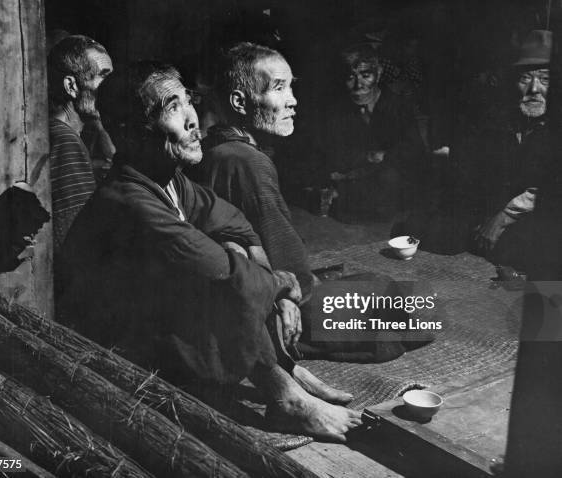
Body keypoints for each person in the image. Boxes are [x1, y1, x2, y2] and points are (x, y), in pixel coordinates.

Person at [58, 64, 362, 442]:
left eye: (189, 101)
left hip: (176, 325)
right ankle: (284, 394)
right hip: (118, 349)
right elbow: (223, 272)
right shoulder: (128, 199)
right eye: (172, 107)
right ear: (132, 132)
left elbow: (235, 222)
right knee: (222, 278)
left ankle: (283, 373)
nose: (192, 119)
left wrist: (272, 284)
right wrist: (282, 285)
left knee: (234, 253)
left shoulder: (170, 180)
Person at [195, 42, 434, 363]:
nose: (293, 101)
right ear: (239, 101)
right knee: (407, 306)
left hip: (250, 289)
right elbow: (285, 261)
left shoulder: (218, 148)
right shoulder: (247, 161)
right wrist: (304, 291)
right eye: (279, 88)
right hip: (273, 302)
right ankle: (282, 341)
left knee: (397, 296)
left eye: (292, 87)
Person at [453, 30, 555, 271]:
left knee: (520, 247)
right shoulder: (505, 120)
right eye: (525, 78)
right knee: (444, 231)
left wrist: (503, 217)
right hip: (504, 206)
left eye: (545, 79)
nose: (534, 89)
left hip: (546, 210)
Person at [321, 43, 428, 221]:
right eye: (350, 77)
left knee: (389, 181)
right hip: (355, 175)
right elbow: (332, 152)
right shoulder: (337, 109)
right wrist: (369, 158)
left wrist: (384, 156)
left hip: (391, 178)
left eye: (366, 75)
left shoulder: (398, 105)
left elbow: (415, 151)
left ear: (378, 73)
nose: (358, 85)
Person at [47, 35, 114, 251]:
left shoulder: (66, 134)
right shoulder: (65, 141)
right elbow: (77, 237)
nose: (112, 89)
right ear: (71, 86)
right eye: (104, 77)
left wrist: (98, 122)